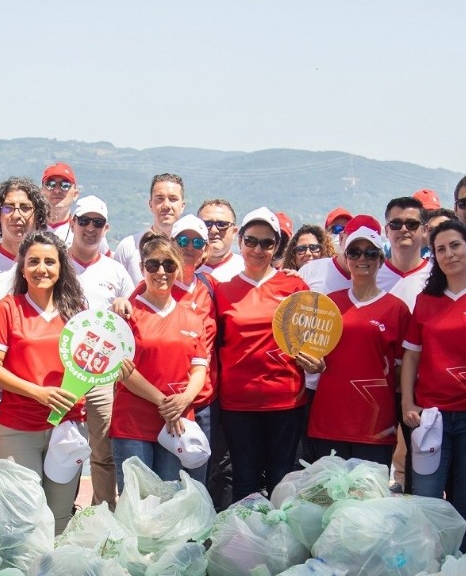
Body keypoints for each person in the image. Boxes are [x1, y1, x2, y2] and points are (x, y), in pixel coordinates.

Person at [399, 218, 466, 549]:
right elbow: (412, 357)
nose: (449, 254)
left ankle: (461, 571)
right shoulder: (426, 301)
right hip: (431, 418)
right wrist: (407, 404)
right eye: (440, 249)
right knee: (426, 502)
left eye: (455, 245)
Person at [0, 231, 88, 533]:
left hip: (67, 428)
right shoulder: (8, 309)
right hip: (18, 429)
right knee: (23, 516)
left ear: (61, 267)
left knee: (59, 515)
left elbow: (91, 366)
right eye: (34, 262)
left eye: (50, 262)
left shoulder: (77, 313)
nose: (42, 269)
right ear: (22, 267)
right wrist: (38, 393)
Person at [212, 207, 310, 502]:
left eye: (267, 243)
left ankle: (280, 546)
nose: (258, 249)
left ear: (277, 247)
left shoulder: (294, 286)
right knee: (245, 481)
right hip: (238, 403)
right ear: (239, 241)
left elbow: (311, 340)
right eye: (252, 241)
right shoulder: (222, 289)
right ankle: (248, 546)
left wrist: (316, 361)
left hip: (285, 399)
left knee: (281, 482)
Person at [308, 220, 412, 465]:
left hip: (374, 424)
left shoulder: (397, 309)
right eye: (354, 252)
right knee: (329, 500)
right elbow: (314, 352)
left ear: (380, 260)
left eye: (370, 252)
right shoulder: (328, 303)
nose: (362, 258)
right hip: (329, 420)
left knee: (369, 501)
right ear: (346, 258)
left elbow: (402, 368)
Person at [111, 234, 213, 481]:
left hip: (176, 423)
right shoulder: (127, 314)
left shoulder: (191, 317)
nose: (161, 272)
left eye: (169, 265)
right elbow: (123, 370)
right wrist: (165, 403)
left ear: (178, 268)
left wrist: (186, 399)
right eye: (153, 264)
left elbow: (199, 368)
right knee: (136, 508)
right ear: (141, 267)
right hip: (133, 424)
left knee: (170, 504)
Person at [66, 196, 134, 507]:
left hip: (102, 374)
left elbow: (133, 317)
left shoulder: (116, 271)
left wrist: (124, 305)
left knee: (103, 451)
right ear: (72, 223)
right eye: (84, 221)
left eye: (97, 223)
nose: (90, 228)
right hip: (61, 369)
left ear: (106, 228)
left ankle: (102, 513)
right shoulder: (55, 264)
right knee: (59, 446)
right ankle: (60, 512)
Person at [0, 177, 48, 305]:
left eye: (25, 208)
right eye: (8, 208)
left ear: (37, 215)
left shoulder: (52, 266)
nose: (17, 215)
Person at [112, 173, 185, 277]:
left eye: (173, 199)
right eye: (160, 198)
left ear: (182, 206)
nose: (166, 205)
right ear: (151, 205)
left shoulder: (192, 249)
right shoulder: (129, 247)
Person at [381, 196, 434, 309]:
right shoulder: (373, 277)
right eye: (396, 224)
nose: (404, 229)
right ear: (386, 231)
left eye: (412, 224)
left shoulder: (437, 276)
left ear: (425, 230)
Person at [198, 199, 244, 281]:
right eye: (206, 224)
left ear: (234, 232)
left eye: (222, 224)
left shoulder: (246, 271)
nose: (214, 230)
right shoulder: (179, 271)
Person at [42, 163, 79, 240]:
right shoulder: (28, 227)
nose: (57, 190)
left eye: (65, 185)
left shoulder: (83, 232)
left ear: (75, 194)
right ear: (41, 192)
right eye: (51, 184)